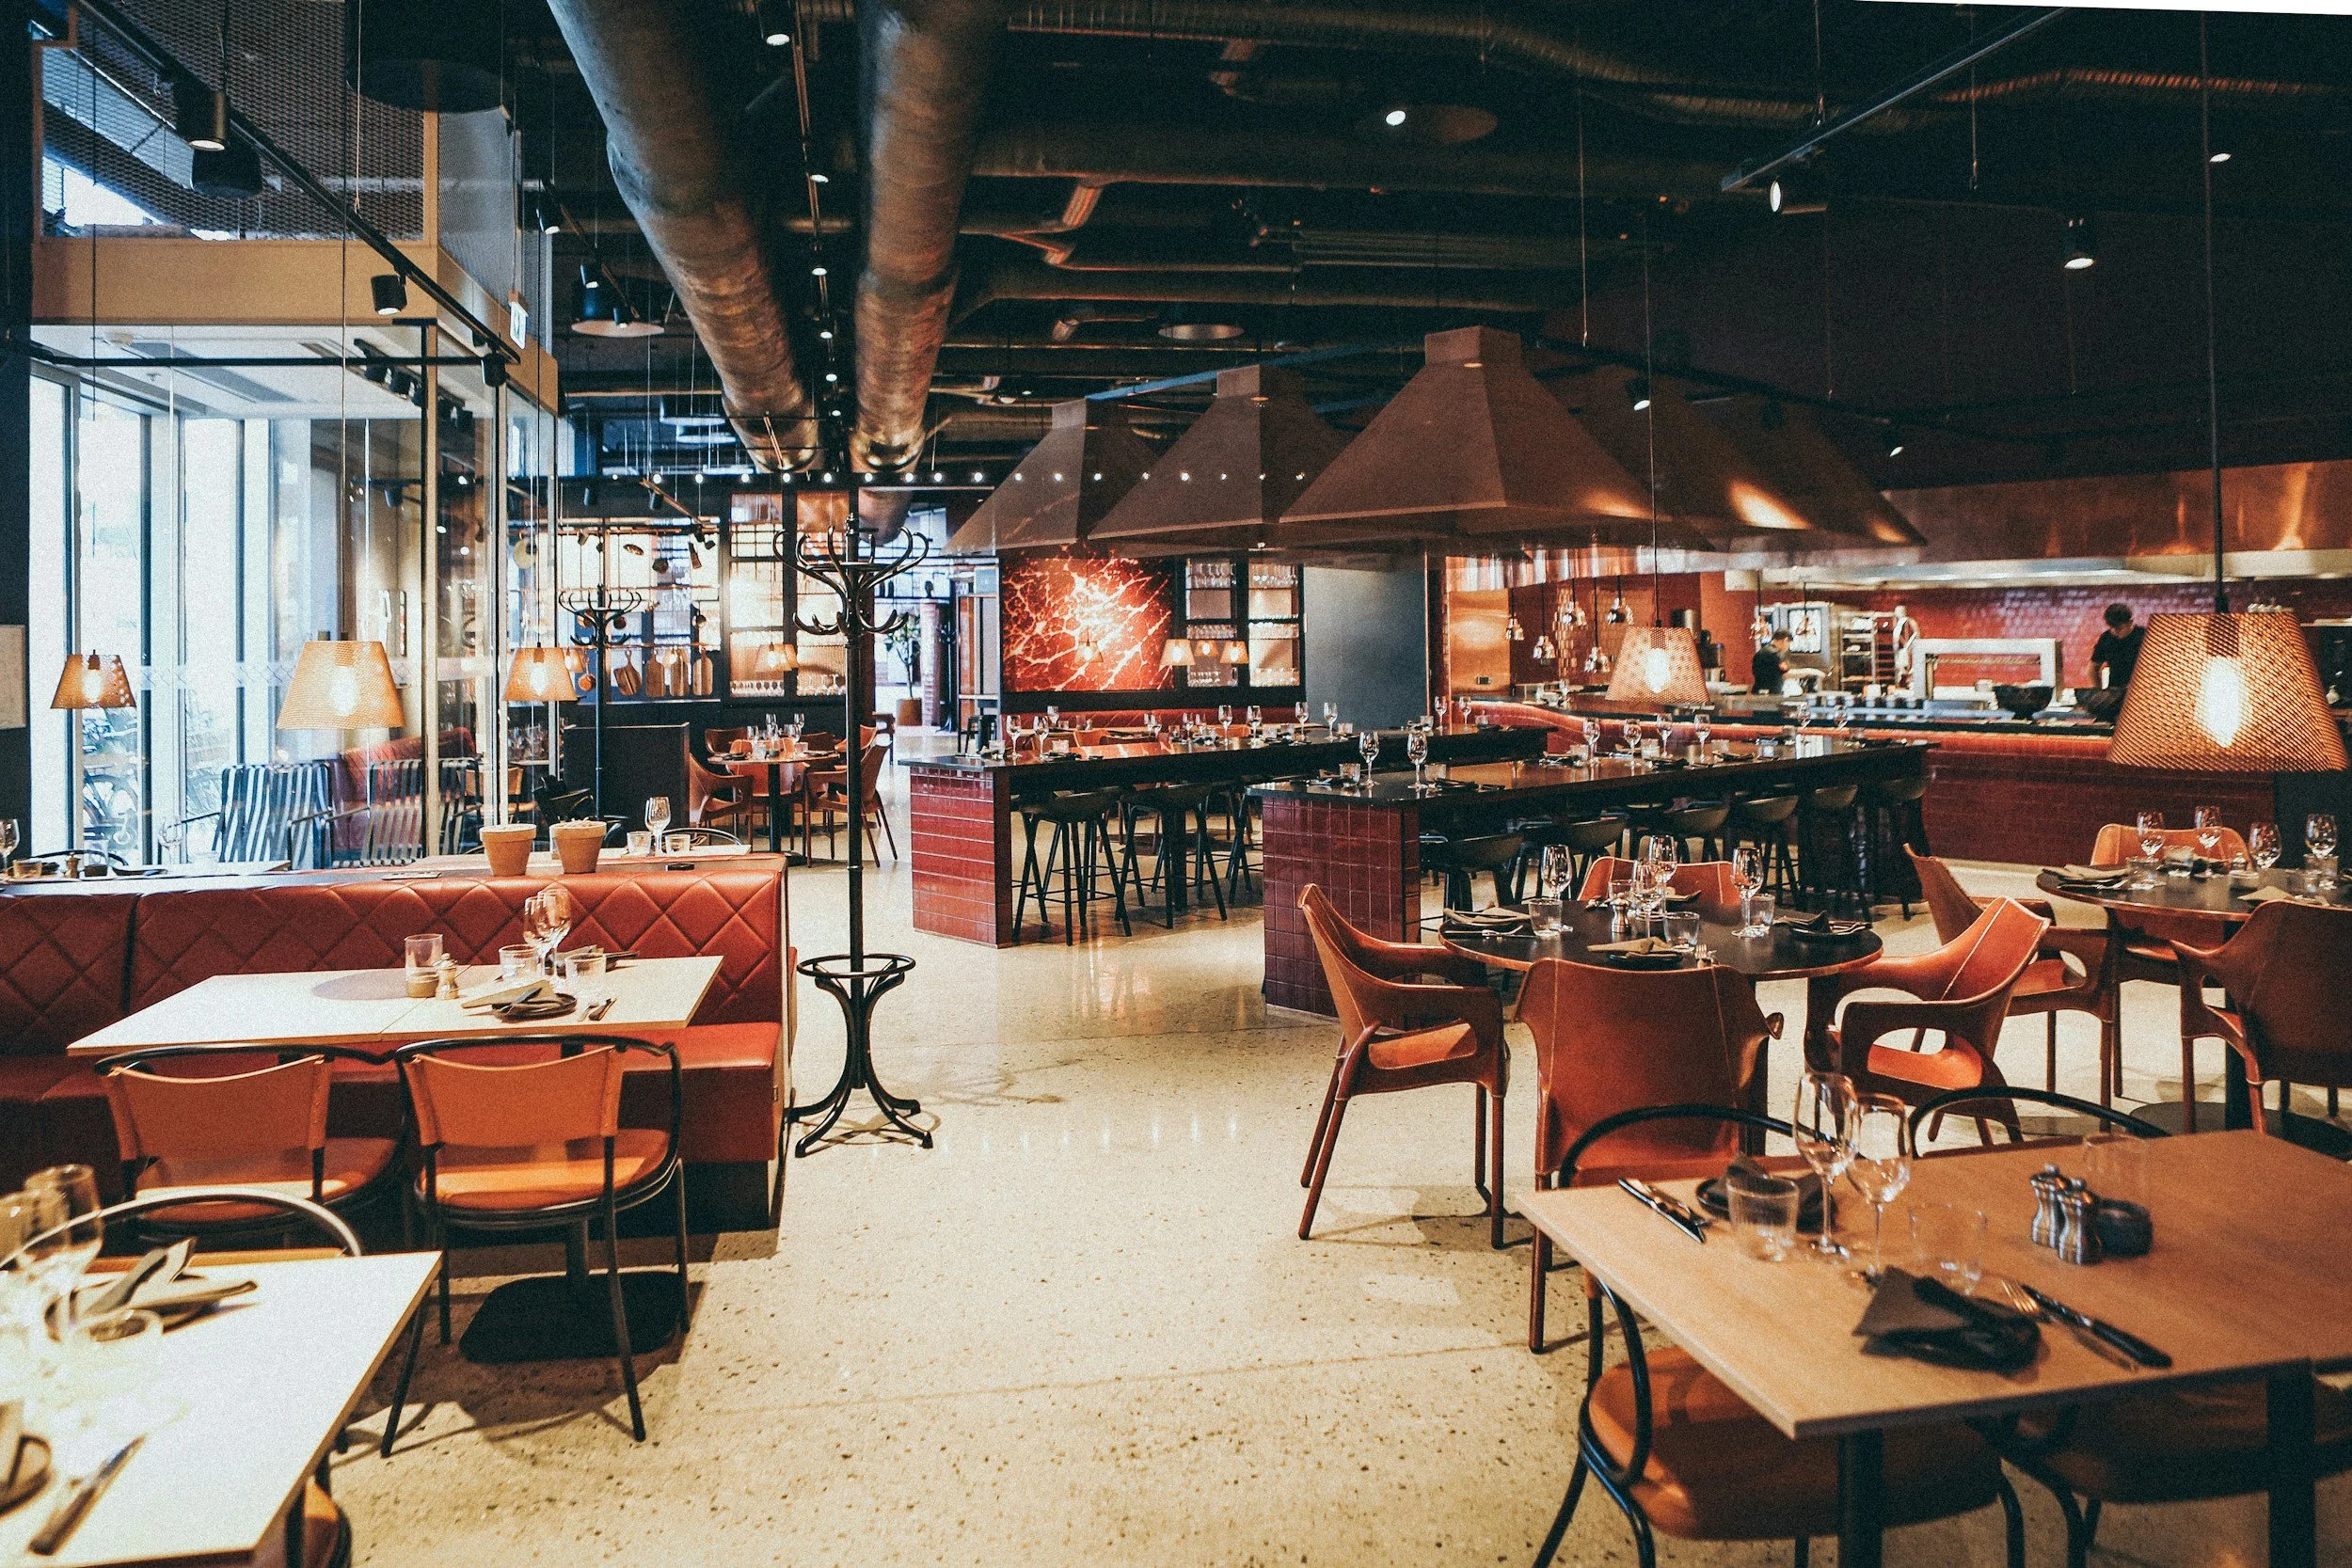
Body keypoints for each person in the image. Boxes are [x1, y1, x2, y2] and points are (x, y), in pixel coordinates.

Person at [2083, 602, 2144, 719]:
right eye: (2112, 628)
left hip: (2142, 696)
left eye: (2119, 628)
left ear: (2130, 623)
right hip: (2115, 695)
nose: (2115, 632)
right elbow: (2093, 668)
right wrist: (2098, 693)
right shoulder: (2106, 638)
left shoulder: (2144, 636)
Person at [1751, 630, 1792, 696]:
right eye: (1789, 643)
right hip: (1771, 694)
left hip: (1758, 691)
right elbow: (1785, 673)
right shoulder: (1775, 654)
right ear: (1785, 640)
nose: (1788, 647)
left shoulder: (1762, 651)